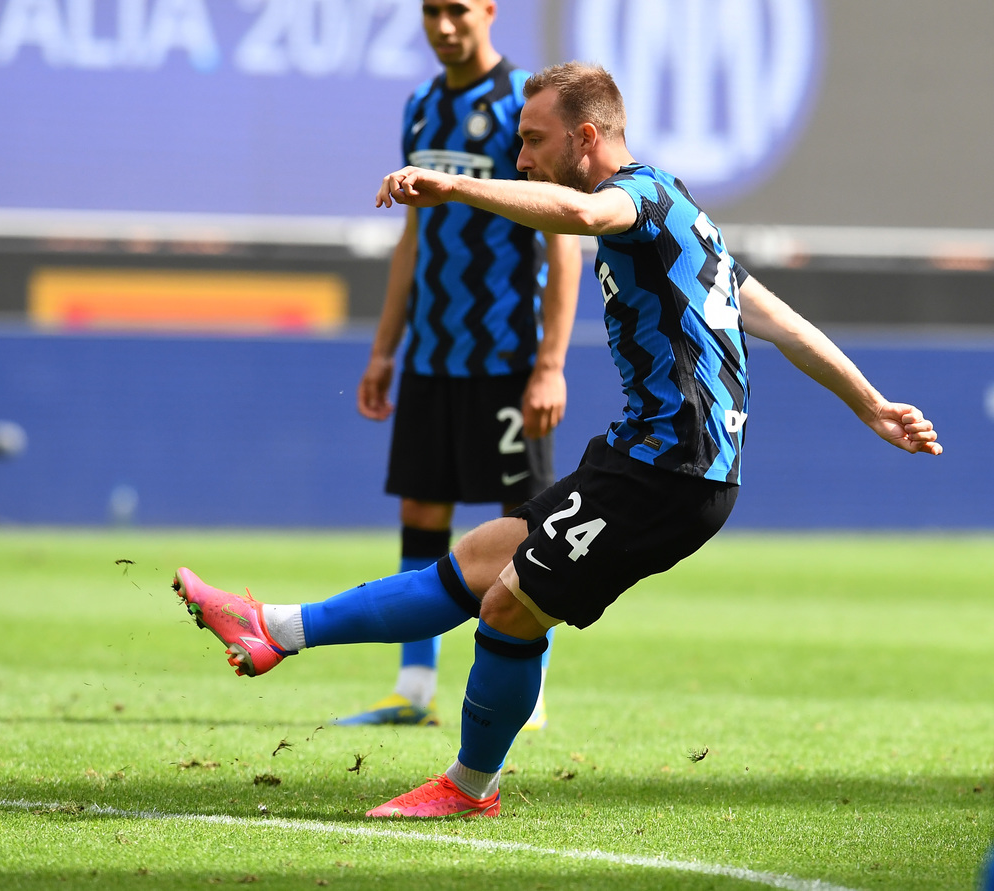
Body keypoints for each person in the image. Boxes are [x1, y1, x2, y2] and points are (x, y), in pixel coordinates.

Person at [173, 62, 942, 818]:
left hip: (673, 472)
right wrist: (871, 403)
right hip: (641, 457)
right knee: (481, 558)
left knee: (510, 608)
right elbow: (780, 322)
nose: (520, 158)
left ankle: (469, 787)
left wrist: (455, 187)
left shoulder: (639, 199)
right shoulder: (681, 215)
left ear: (586, 137)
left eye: (534, 140)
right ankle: (273, 628)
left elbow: (581, 216)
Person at [344, 0, 581, 729]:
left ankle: (528, 689)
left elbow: (563, 239)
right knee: (421, 511)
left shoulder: (522, 107)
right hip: (431, 355)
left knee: (524, 522)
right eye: (431, 12)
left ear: (488, 10)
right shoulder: (420, 106)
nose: (444, 26)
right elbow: (412, 240)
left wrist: (550, 363)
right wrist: (385, 350)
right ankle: (413, 687)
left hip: (507, 357)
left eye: (457, 10)